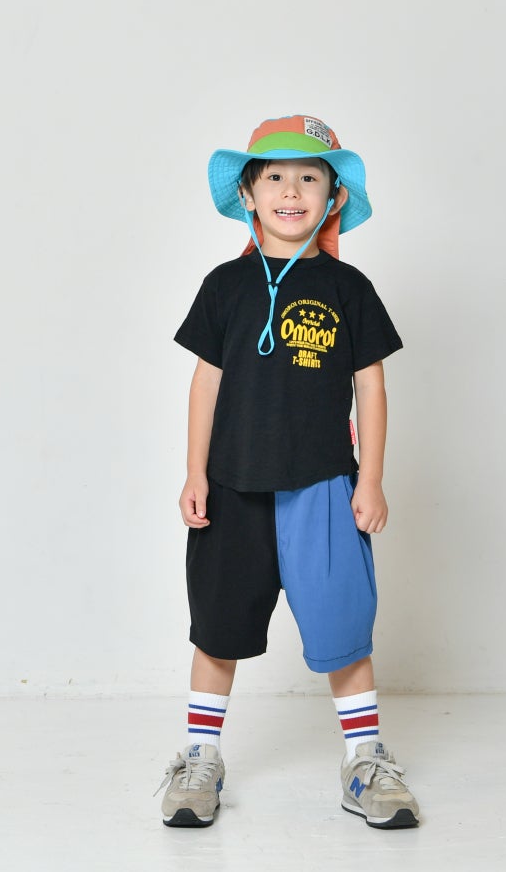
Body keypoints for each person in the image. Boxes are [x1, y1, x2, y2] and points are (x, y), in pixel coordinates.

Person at [156, 114, 420, 830]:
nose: (292, 190)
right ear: (248, 193)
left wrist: (370, 478)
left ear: (334, 197)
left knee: (343, 625)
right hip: (231, 488)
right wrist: (194, 473)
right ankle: (200, 758)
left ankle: (364, 760)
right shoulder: (223, 286)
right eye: (274, 175)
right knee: (218, 627)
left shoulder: (349, 287)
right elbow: (205, 384)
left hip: (324, 485)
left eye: (309, 176)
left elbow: (371, 386)